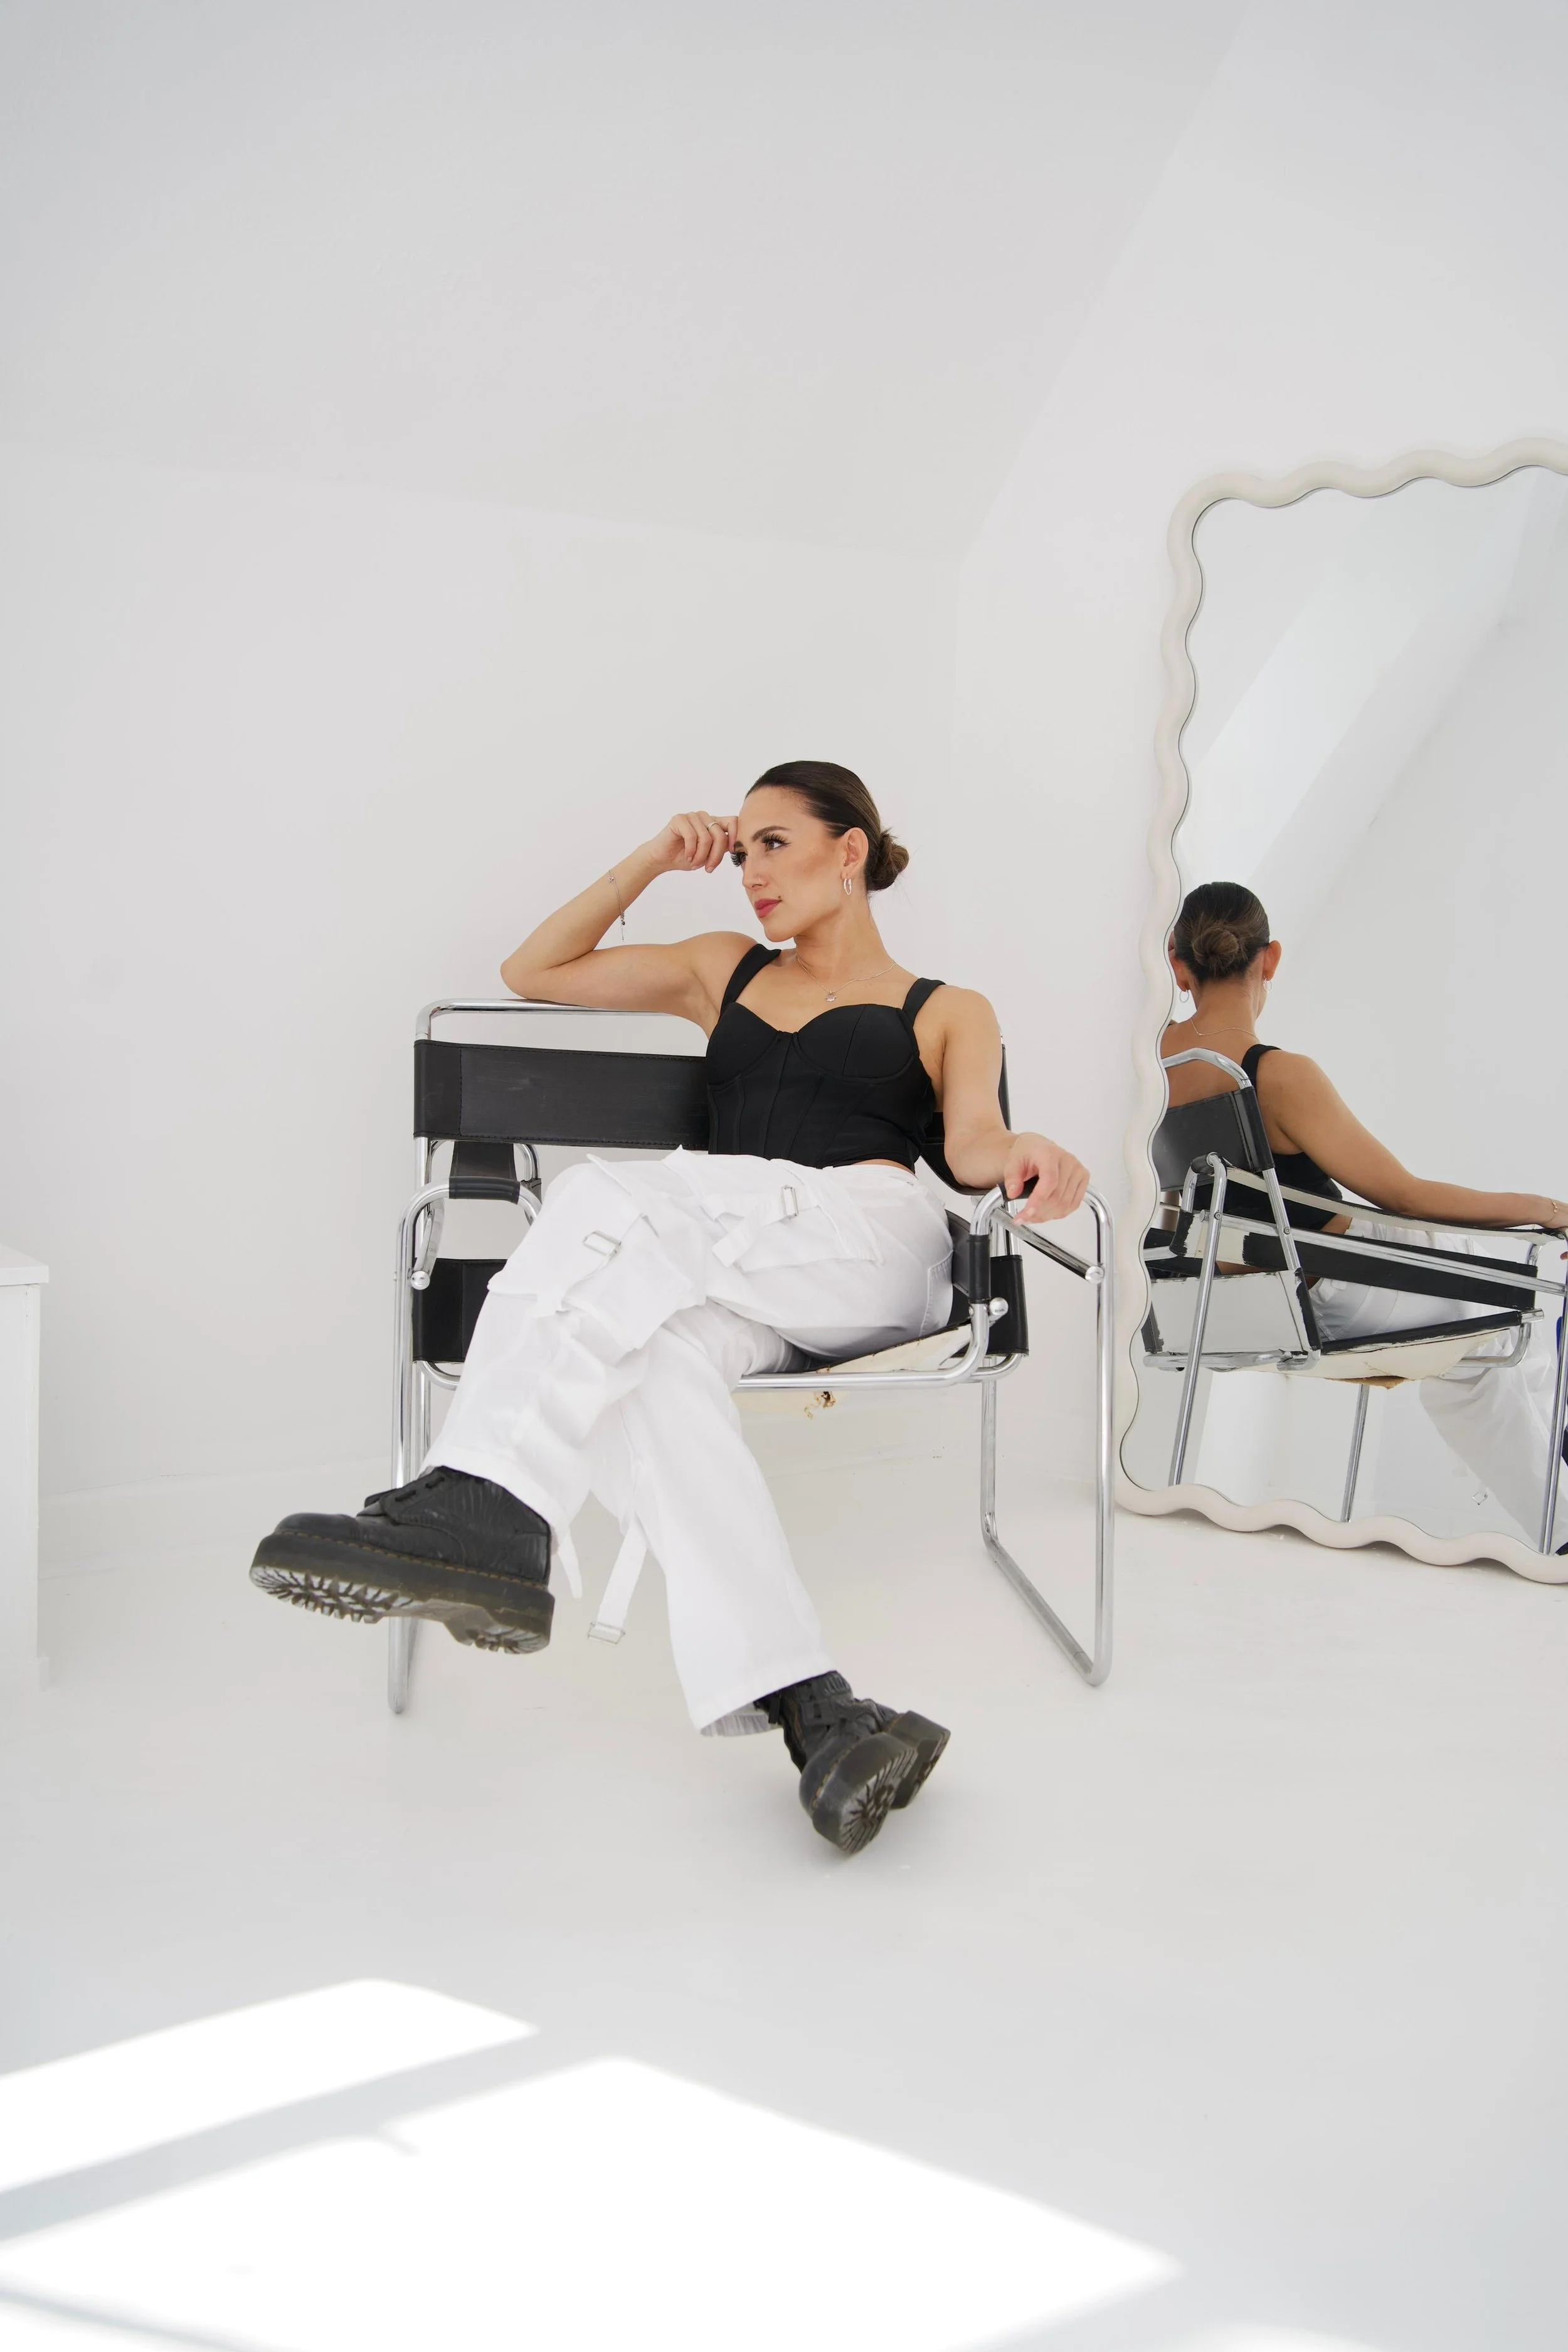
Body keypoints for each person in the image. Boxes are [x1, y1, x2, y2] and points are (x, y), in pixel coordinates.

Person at [251, 762, 1089, 1853]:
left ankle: (490, 1501)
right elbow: (532, 968)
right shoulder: (722, 972)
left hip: (873, 1246)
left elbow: (972, 1145)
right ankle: (816, 1709)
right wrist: (655, 855)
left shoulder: (945, 1006)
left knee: (607, 1193)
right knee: (650, 1369)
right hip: (730, 1263)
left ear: (851, 850)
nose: (749, 870)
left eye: (774, 843)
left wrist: (1024, 1148)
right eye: (739, 850)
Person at [1162, 881, 1568, 1549]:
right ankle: (1558, 1523)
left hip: (1245, 1291)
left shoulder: (1150, 1070)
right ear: (1270, 959)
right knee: (1505, 1325)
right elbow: (1401, 1195)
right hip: (1344, 1282)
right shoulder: (1277, 1075)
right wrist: (1546, 1209)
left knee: (1500, 1327)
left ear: (1178, 962)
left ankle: (1555, 1502)